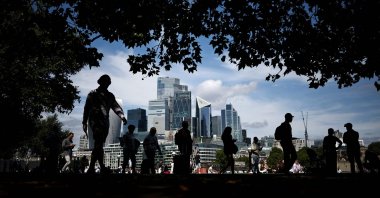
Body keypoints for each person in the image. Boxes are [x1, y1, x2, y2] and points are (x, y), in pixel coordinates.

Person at [82, 74, 127, 174]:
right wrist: (84, 122)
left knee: (99, 145)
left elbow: (116, 107)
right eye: (105, 81)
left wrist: (122, 116)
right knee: (98, 143)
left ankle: (97, 167)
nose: (107, 83)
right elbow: (86, 108)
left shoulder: (110, 96)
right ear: (100, 82)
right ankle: (94, 167)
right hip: (95, 121)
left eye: (108, 82)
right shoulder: (92, 94)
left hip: (105, 122)